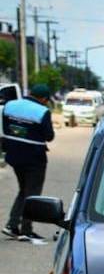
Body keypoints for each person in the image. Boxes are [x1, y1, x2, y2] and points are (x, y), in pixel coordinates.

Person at [3, 83, 56, 244]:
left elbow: (5, 128)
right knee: (32, 194)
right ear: (44, 99)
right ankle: (26, 230)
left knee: (24, 190)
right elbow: (49, 136)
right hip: (34, 158)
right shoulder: (42, 111)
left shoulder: (10, 105)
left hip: (13, 155)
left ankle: (12, 225)